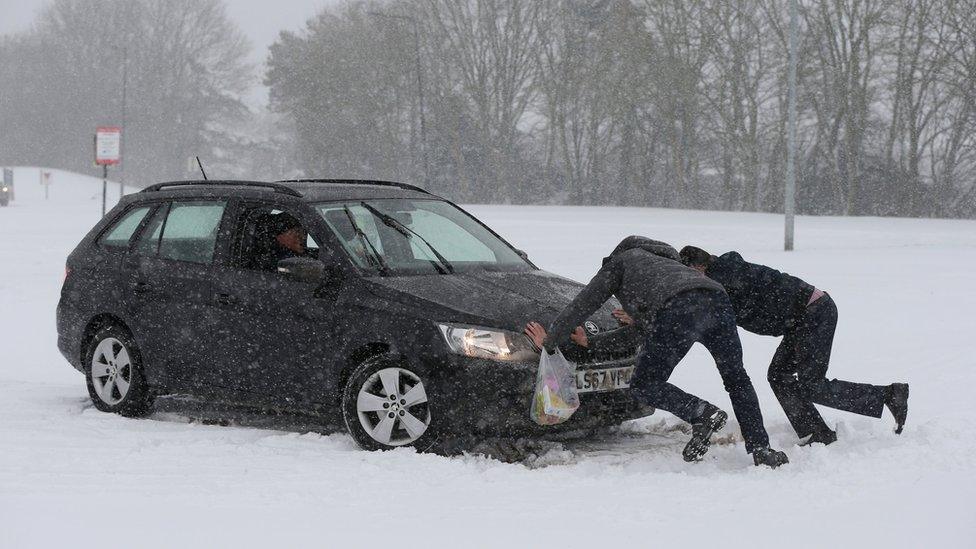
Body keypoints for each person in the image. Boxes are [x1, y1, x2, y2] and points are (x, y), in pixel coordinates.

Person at [525, 236, 789, 467]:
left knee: (644, 383)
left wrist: (549, 341)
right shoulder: (669, 267)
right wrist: (592, 344)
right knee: (736, 378)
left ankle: (701, 412)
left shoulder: (621, 263)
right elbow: (647, 330)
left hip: (679, 310)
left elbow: (581, 306)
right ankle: (761, 448)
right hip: (718, 302)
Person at [678, 246, 909, 445]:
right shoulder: (725, 274)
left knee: (812, 385)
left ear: (698, 268)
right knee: (779, 375)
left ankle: (888, 395)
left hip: (814, 312)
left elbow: (724, 315)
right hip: (803, 318)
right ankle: (817, 432)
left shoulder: (725, 279)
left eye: (690, 275)